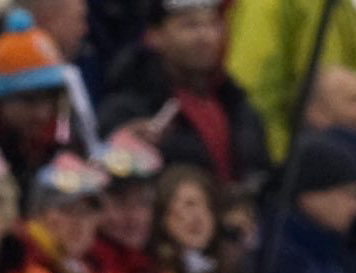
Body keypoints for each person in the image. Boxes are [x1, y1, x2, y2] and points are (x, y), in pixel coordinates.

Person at [97, 0, 269, 190]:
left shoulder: (237, 106)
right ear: (155, 36)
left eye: (212, 24)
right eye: (190, 25)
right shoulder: (128, 109)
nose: (205, 36)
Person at [227, 0, 356, 162]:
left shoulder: (341, 7)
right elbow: (253, 92)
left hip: (338, 156)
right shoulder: (268, 4)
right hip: (295, 159)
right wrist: (282, 162)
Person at [0, 11, 75, 186]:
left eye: (50, 99)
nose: (42, 113)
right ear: (1, 100)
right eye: (29, 100)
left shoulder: (55, 141)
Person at [84, 138, 190, 273]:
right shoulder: (84, 268)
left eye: (143, 203)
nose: (136, 217)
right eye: (120, 202)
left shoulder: (151, 266)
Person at [264, 134, 356, 273]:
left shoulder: (330, 247)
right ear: (311, 195)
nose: (354, 207)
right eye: (348, 195)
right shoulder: (280, 259)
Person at [20, 152, 104, 273]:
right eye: (67, 210)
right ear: (39, 215)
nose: (79, 222)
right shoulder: (23, 265)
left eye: (87, 213)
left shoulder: (85, 269)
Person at [151, 163, 240, 273]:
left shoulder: (229, 264)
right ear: (163, 215)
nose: (199, 217)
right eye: (189, 205)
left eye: (207, 206)